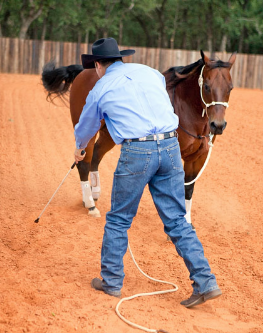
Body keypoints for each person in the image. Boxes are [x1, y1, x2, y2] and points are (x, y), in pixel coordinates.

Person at [73, 37, 221, 308]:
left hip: (137, 152)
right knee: (177, 220)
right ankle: (206, 281)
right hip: (169, 146)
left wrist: (79, 149)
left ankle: (112, 281)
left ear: (97, 65)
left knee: (118, 219)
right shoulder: (150, 73)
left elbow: (86, 127)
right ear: (120, 58)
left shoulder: (101, 87)